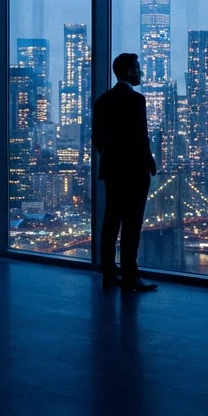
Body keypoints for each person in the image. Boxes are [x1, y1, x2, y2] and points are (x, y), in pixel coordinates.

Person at [92, 53, 158, 292]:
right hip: (134, 172)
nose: (140, 72)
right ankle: (130, 276)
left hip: (112, 171)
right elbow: (141, 136)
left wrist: (111, 157)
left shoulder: (102, 100)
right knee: (132, 224)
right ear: (129, 71)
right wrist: (149, 162)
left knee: (111, 223)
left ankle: (109, 274)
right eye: (138, 67)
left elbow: (97, 138)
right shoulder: (135, 100)